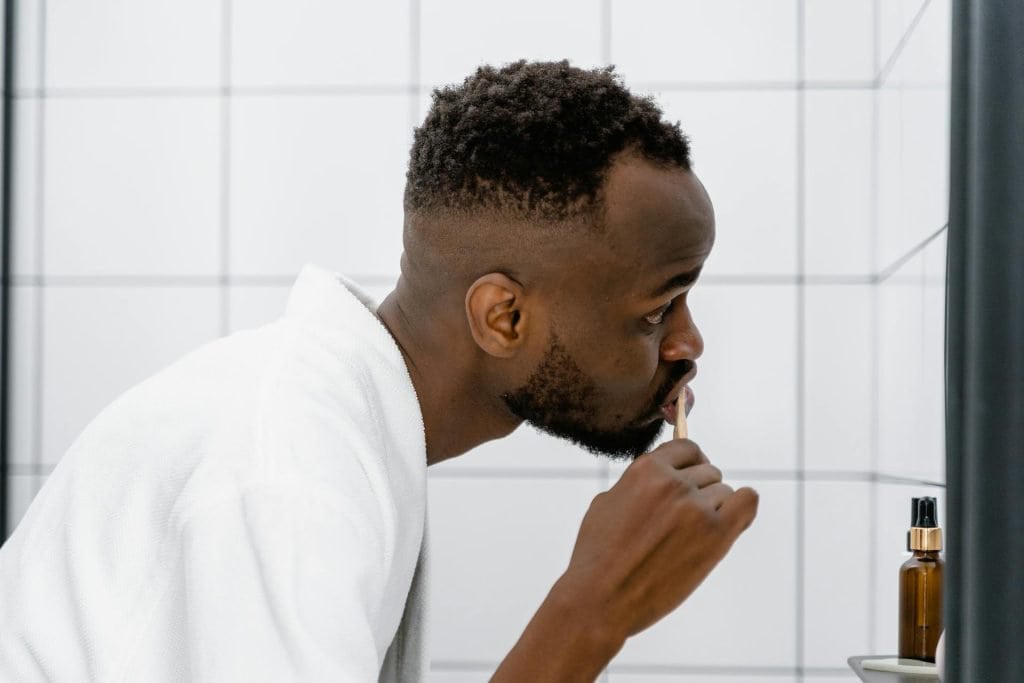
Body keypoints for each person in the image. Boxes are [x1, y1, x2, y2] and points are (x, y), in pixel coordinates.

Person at [0, 60, 758, 681]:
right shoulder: (287, 473)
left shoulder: (338, 428)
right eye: (659, 308)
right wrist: (593, 606)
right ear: (504, 318)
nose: (688, 342)